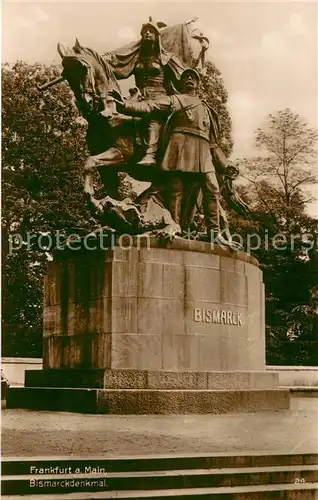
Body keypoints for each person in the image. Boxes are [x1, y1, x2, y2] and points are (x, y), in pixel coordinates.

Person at [110, 68, 231, 242]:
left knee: (213, 188)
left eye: (193, 77)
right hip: (178, 147)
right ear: (181, 83)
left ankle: (214, 232)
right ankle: (175, 227)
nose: (189, 79)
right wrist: (124, 105)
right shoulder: (175, 100)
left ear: (198, 84)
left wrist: (226, 165)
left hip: (203, 152)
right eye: (186, 77)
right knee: (176, 189)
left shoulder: (207, 109)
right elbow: (150, 106)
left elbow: (214, 144)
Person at [104, 18, 184, 166]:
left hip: (159, 97)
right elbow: (119, 69)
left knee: (152, 119)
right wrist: (103, 61)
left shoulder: (166, 58)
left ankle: (150, 154)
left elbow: (182, 76)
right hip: (139, 97)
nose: (147, 33)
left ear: (156, 36)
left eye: (151, 31)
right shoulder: (136, 58)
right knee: (117, 118)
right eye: (145, 31)